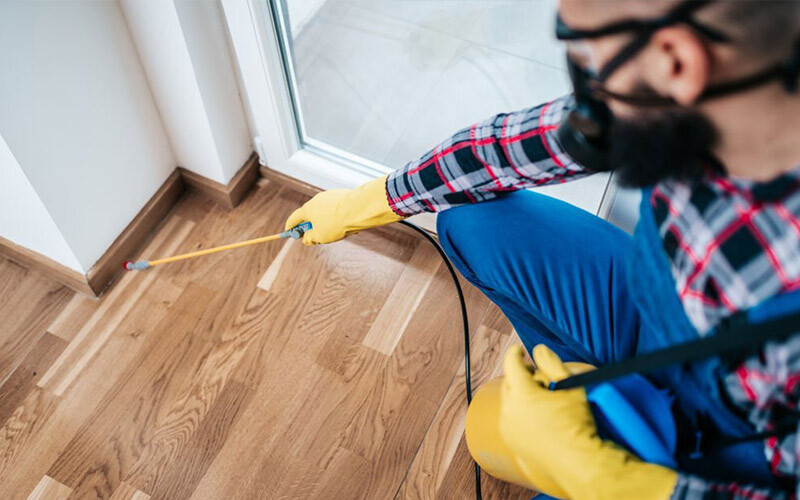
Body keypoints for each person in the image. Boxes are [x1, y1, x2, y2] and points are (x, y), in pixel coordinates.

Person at [284, 1, 800, 498]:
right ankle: (590, 382)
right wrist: (372, 201)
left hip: (739, 445)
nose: (585, 80)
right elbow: (505, 151)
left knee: (490, 439)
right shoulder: (711, 101)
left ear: (677, 61)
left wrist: (616, 484)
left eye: (588, 53)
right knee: (473, 222)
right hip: (661, 317)